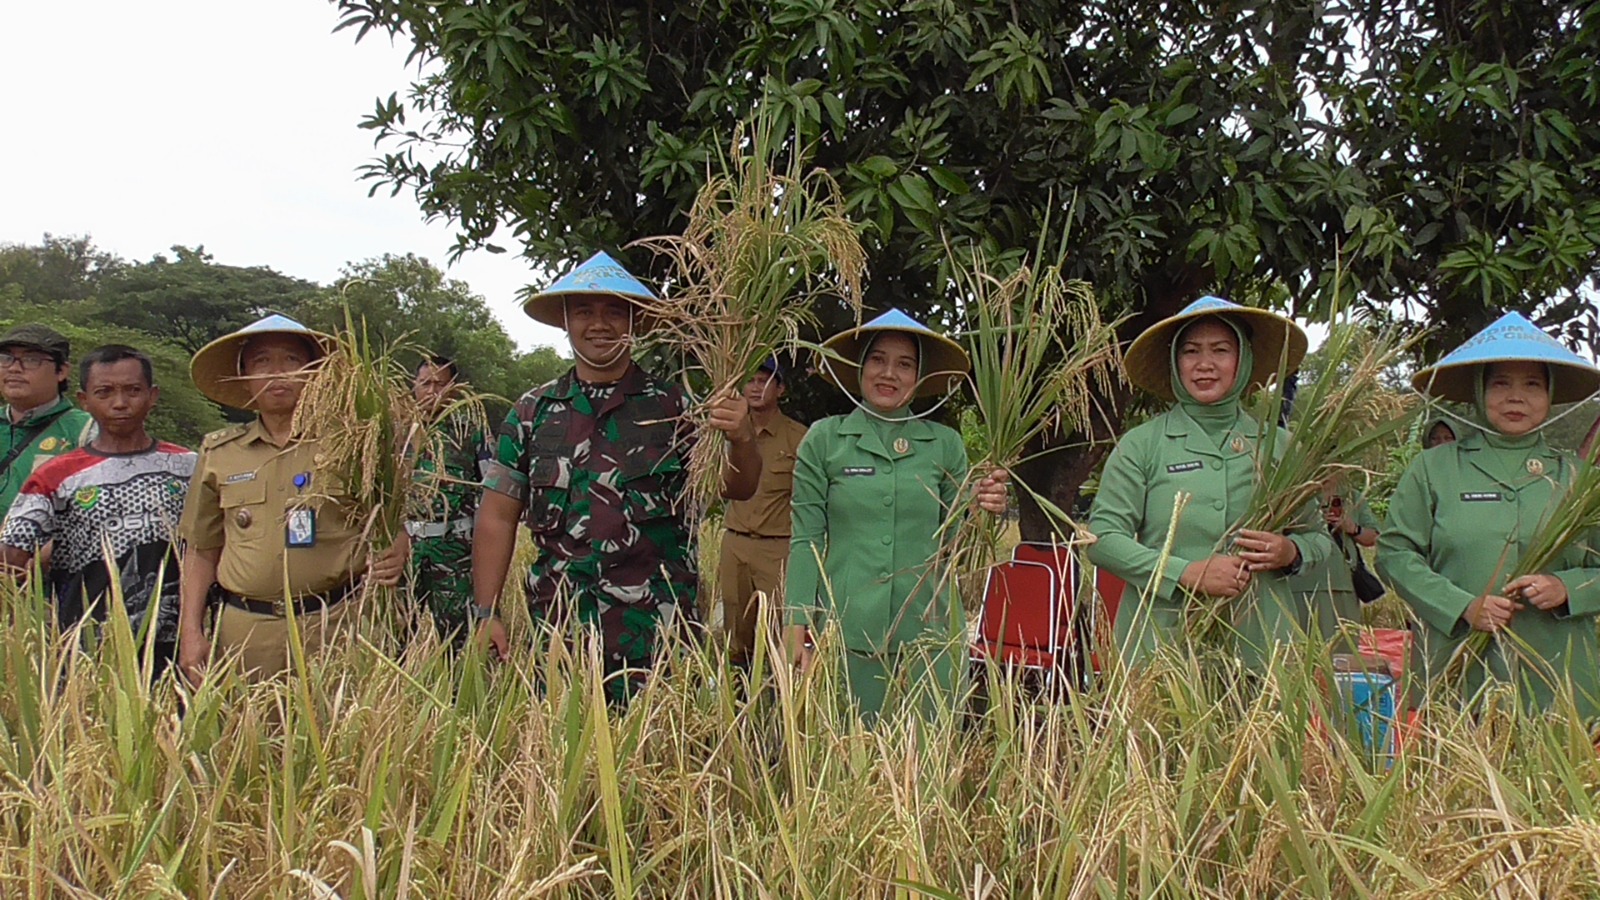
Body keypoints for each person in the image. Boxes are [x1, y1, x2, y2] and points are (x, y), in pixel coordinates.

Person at [470, 252, 762, 701]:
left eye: (613, 312)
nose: (599, 324)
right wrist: (487, 610)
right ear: (565, 322)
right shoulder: (532, 413)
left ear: (633, 323)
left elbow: (736, 488)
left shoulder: (675, 410)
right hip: (562, 634)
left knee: (663, 763)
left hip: (661, 638)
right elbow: (497, 518)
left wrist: (741, 440)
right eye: (584, 311)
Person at [783, 309, 1008, 722]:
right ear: (860, 367)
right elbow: (806, 539)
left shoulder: (944, 445)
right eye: (877, 359)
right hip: (845, 630)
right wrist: (796, 622)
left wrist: (984, 507)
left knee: (926, 763)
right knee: (842, 762)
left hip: (929, 633)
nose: (889, 373)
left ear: (920, 377)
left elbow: (955, 539)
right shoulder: (826, 440)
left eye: (905, 364)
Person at [1086, 296, 1334, 669]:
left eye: (1221, 350)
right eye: (1190, 351)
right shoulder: (1142, 444)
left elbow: (1319, 539)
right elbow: (1102, 539)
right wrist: (1186, 572)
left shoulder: (1278, 446)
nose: (1205, 365)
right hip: (1161, 646)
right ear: (1175, 362)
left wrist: (1290, 552)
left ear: (1244, 359)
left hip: (1262, 646)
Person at [1377, 312, 1600, 718]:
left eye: (1533, 384)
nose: (1517, 397)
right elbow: (1394, 554)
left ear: (1550, 394)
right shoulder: (1434, 469)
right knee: (1455, 777)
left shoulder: (1580, 478)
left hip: (1561, 675)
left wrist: (1568, 588)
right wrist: (1462, 605)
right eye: (1501, 383)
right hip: (1456, 668)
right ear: (1479, 391)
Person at [176, 315, 409, 683]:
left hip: (338, 624)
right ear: (244, 375)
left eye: (292, 361)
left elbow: (389, 522)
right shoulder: (219, 452)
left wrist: (398, 547)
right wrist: (190, 632)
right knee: (249, 737)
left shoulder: (354, 444)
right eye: (261, 362)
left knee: (344, 735)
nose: (277, 373)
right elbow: (202, 549)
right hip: (246, 633)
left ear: (316, 372)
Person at [1, 345, 194, 679]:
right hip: (86, 648)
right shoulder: (54, 477)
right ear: (84, 400)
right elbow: (10, 558)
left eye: (132, 391)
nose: (120, 403)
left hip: (176, 647)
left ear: (153, 396)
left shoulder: (189, 467)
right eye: (104, 392)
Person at [717, 357, 807, 666]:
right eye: (751, 381)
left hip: (777, 549)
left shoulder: (799, 438)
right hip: (735, 544)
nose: (756, 388)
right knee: (734, 639)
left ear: (780, 389)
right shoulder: (724, 435)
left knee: (776, 639)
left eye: (765, 381)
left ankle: (776, 708)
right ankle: (736, 707)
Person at [405, 355, 488, 646]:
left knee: (457, 639)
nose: (431, 391)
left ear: (454, 389)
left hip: (454, 553)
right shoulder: (397, 431)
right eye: (424, 383)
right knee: (397, 635)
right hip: (406, 552)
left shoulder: (471, 433)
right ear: (413, 386)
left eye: (439, 384)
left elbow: (491, 491)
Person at [1, 324, 96, 516]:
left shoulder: (86, 431)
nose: (14, 368)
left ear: (61, 371)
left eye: (31, 360)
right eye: (5, 358)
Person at [1288, 476, 1382, 640]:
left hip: (1343, 584)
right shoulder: (1295, 495)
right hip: (1301, 584)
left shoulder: (1352, 497)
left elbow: (1374, 537)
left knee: (1343, 649)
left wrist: (1352, 528)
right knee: (1304, 647)